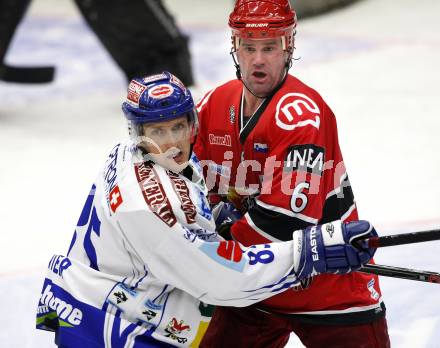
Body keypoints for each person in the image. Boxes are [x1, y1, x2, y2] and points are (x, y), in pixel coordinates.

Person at [35, 71, 379, 347]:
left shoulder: (129, 154)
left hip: (108, 303)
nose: (170, 141)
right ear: (137, 131)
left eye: (178, 126)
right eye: (157, 130)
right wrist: (312, 250)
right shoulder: (152, 205)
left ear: (192, 124)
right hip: (114, 323)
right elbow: (224, 279)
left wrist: (211, 220)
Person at [194, 1, 391, 347]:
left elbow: (284, 224)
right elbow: (180, 179)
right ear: (234, 47)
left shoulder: (299, 115)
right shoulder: (213, 105)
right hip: (254, 293)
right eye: (249, 46)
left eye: (269, 47)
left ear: (289, 47)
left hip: (329, 293)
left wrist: (220, 235)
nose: (258, 59)